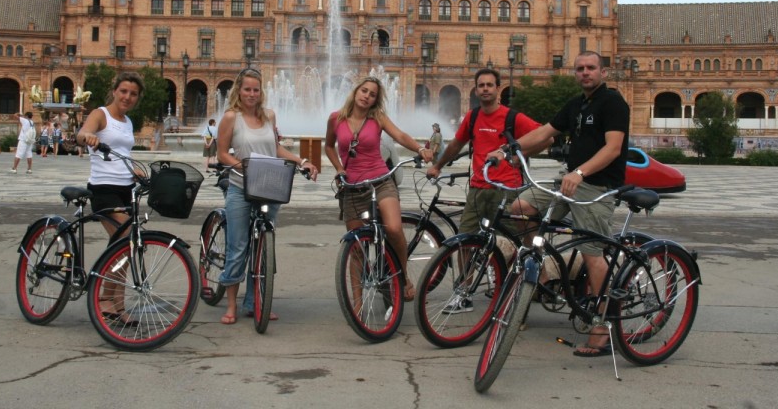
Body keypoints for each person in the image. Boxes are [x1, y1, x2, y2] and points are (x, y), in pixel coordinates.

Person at [512, 51, 630, 358]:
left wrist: (580, 172)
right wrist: (506, 148)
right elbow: (544, 132)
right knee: (521, 209)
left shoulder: (613, 102)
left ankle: (603, 325)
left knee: (592, 253)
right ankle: (545, 278)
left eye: (591, 68)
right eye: (580, 69)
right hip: (570, 181)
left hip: (597, 186)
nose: (585, 73)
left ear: (603, 72)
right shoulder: (577, 104)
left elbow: (614, 147)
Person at [215, 68, 319, 325]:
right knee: (238, 247)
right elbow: (222, 154)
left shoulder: (269, 116)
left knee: (263, 245)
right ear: (239, 90)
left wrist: (301, 160)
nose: (252, 94)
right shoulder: (230, 117)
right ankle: (231, 305)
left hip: (268, 187)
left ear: (261, 92)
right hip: (240, 187)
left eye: (256, 89)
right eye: (247, 89)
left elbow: (276, 148)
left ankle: (254, 302)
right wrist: (241, 165)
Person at [325, 76, 435, 303]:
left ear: (376, 100)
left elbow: (400, 136)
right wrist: (338, 168)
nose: (366, 96)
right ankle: (357, 305)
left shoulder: (378, 118)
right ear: (356, 92)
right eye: (364, 91)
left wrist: (419, 149)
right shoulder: (336, 118)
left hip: (381, 181)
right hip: (352, 186)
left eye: (372, 94)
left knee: (394, 228)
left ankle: (403, 277)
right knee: (356, 248)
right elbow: (328, 145)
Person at [427, 67, 548, 238]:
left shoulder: (512, 118)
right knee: (463, 240)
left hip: (506, 190)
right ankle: (468, 266)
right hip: (477, 189)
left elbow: (547, 138)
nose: (485, 88)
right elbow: (455, 145)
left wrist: (522, 155)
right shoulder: (472, 116)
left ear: (497, 89)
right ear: (475, 90)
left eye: (489, 85)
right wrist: (438, 166)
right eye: (481, 85)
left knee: (506, 242)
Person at [75, 71, 146, 324]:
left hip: (125, 187)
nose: (128, 97)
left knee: (128, 246)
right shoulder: (100, 114)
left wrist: (133, 170)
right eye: (124, 91)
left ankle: (117, 304)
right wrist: (88, 137)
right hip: (103, 188)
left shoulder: (127, 122)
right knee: (125, 239)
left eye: (133, 94)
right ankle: (105, 298)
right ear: (115, 90)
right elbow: (81, 134)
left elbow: (119, 153)